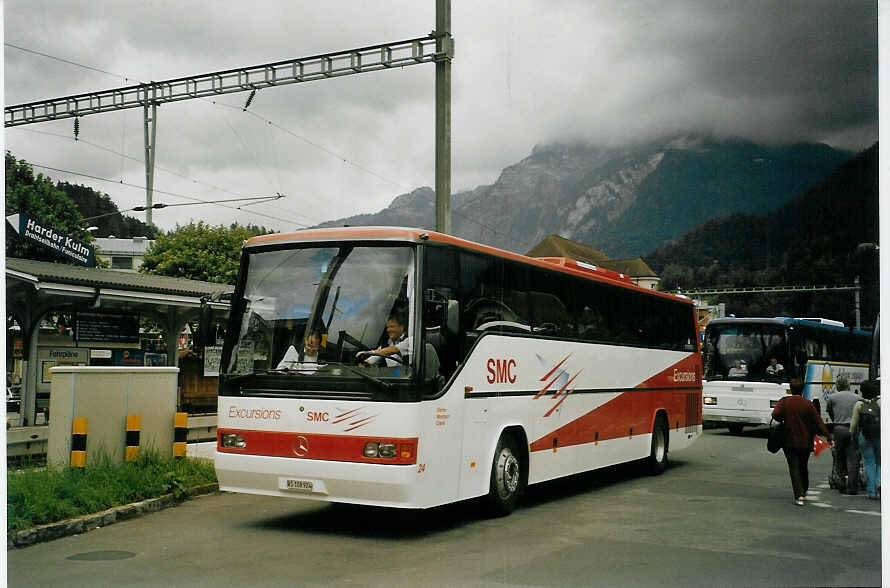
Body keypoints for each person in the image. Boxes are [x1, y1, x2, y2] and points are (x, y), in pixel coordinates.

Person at [771, 377, 833, 506]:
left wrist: (783, 419)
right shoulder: (808, 404)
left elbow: (775, 414)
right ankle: (804, 489)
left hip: (789, 439)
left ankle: (799, 495)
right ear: (803, 389)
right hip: (806, 440)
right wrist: (828, 436)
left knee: (793, 467)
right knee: (803, 465)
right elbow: (818, 421)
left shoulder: (784, 402)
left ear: (791, 389)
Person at [826, 375, 861, 494]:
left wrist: (836, 420)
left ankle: (841, 482)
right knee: (853, 458)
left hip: (839, 428)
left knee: (839, 456)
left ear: (837, 386)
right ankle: (852, 486)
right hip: (852, 428)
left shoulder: (832, 398)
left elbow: (830, 412)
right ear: (848, 385)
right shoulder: (857, 398)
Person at [851, 379, 881, 500]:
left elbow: (854, 424)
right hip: (880, 436)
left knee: (869, 463)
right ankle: (880, 482)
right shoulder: (881, 402)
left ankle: (871, 492)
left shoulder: (859, 404)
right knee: (880, 462)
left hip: (864, 436)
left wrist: (853, 436)